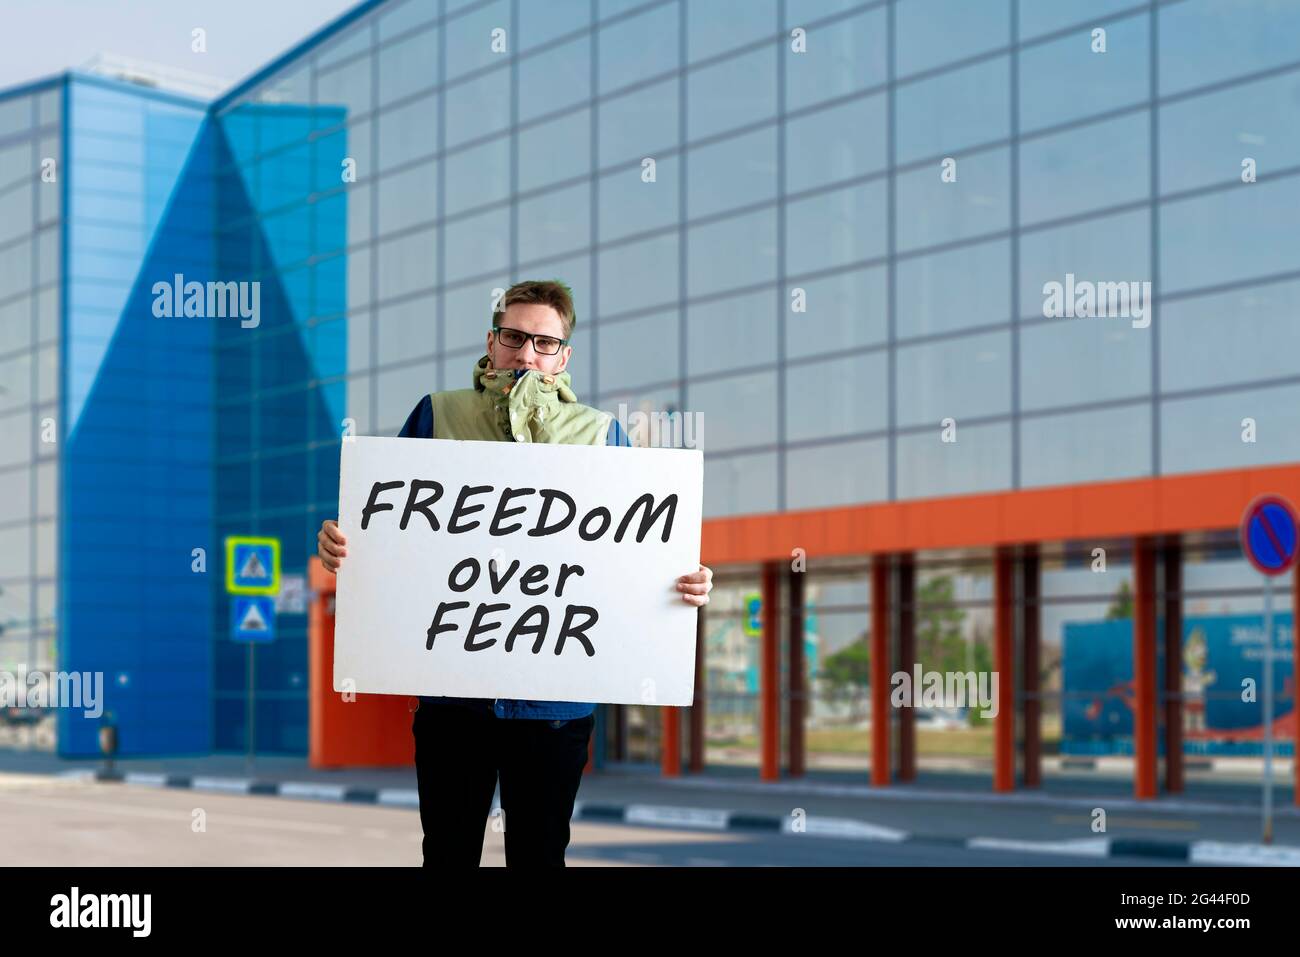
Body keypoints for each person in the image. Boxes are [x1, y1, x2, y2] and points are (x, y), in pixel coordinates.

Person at [317, 279, 713, 867]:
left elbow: (641, 549)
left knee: (539, 856)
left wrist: (687, 581)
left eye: (544, 343)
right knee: (447, 856)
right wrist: (339, 547)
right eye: (515, 337)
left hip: (554, 708)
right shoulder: (437, 414)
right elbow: (385, 533)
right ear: (492, 340)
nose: (527, 354)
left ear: (564, 355)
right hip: (454, 699)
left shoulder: (602, 434)